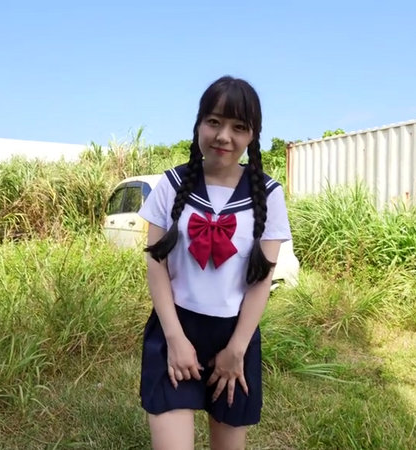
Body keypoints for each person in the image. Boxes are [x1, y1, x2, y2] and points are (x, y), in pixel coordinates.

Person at [137, 75, 292, 450]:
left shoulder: (269, 194)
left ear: (253, 135)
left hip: (234, 337)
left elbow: (262, 280)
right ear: (199, 124)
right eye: (214, 122)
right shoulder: (171, 184)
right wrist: (175, 339)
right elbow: (156, 266)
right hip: (174, 330)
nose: (224, 136)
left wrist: (237, 350)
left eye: (238, 127)